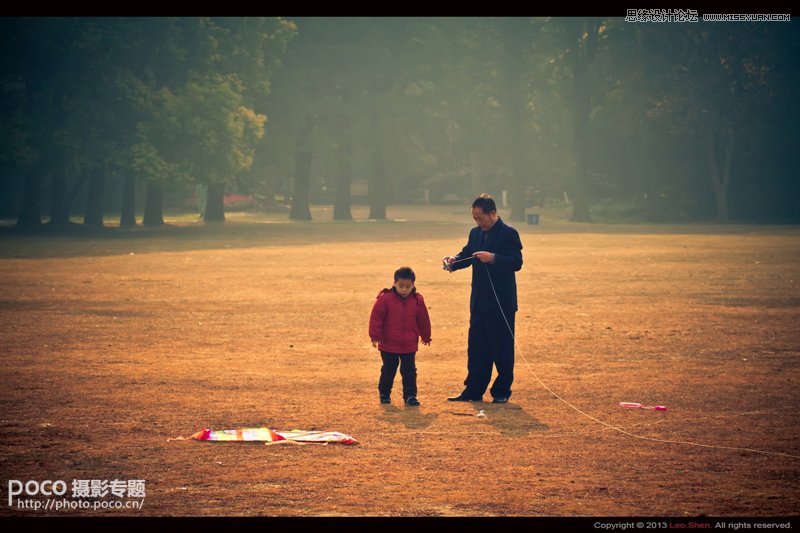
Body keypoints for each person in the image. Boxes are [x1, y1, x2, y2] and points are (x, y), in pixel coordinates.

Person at [443, 194, 523, 403]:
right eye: (475, 218)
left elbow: (516, 262)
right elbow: (467, 255)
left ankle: (501, 391)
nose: (478, 222)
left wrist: (493, 258)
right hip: (479, 301)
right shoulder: (475, 233)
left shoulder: (509, 234)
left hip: (501, 303)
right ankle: (473, 390)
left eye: (480, 217)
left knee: (502, 347)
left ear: (493, 213)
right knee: (477, 347)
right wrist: (453, 262)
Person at [369, 266, 432, 406]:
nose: (404, 289)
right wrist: (374, 336)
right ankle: (384, 393)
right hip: (388, 343)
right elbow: (376, 318)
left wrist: (426, 336)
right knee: (389, 369)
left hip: (409, 343)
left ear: (413, 285)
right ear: (394, 283)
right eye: (401, 286)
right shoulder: (385, 298)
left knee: (409, 371)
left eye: (407, 286)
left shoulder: (417, 300)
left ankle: (410, 396)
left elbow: (423, 320)